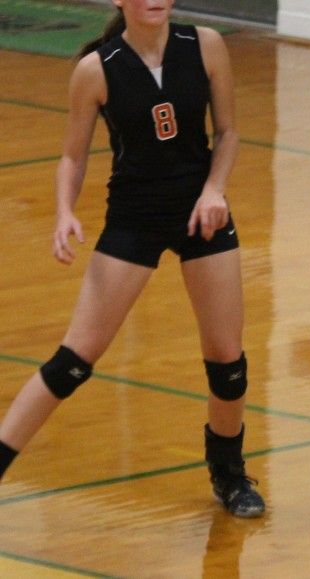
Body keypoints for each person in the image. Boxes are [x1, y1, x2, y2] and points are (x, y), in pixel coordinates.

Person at [0, 0, 264, 518]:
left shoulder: (205, 45)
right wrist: (62, 213)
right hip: (134, 216)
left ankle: (229, 476)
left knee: (227, 361)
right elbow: (73, 155)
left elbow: (228, 132)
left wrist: (215, 189)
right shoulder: (95, 69)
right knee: (74, 361)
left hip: (201, 213)